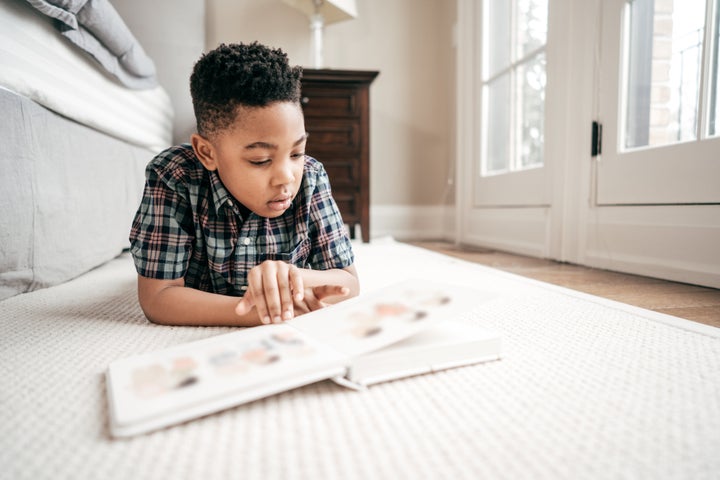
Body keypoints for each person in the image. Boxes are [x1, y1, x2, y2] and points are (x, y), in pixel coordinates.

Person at [129, 42, 359, 327]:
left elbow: (349, 282)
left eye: (296, 153)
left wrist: (294, 278)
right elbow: (158, 298)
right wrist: (264, 310)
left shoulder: (311, 177)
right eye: (261, 160)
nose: (286, 176)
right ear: (206, 153)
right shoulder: (174, 176)